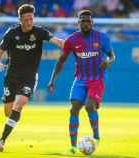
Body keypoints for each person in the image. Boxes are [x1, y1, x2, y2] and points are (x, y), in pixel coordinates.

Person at [0, 4, 63, 152]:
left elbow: (57, 41)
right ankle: (13, 116)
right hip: (11, 77)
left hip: (29, 77)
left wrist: (72, 47)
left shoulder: (39, 32)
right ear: (20, 19)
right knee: (9, 112)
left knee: (19, 105)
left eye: (31, 18)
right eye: (26, 19)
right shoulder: (11, 33)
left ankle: (1, 140)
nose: (29, 22)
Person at [47, 10, 115, 154]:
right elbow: (61, 61)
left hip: (96, 79)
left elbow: (112, 56)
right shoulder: (71, 40)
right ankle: (72, 147)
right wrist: (52, 80)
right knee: (74, 109)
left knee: (89, 106)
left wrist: (108, 61)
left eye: (88, 21)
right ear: (78, 23)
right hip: (80, 80)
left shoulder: (102, 38)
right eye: (82, 21)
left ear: (92, 23)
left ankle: (96, 136)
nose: (85, 23)